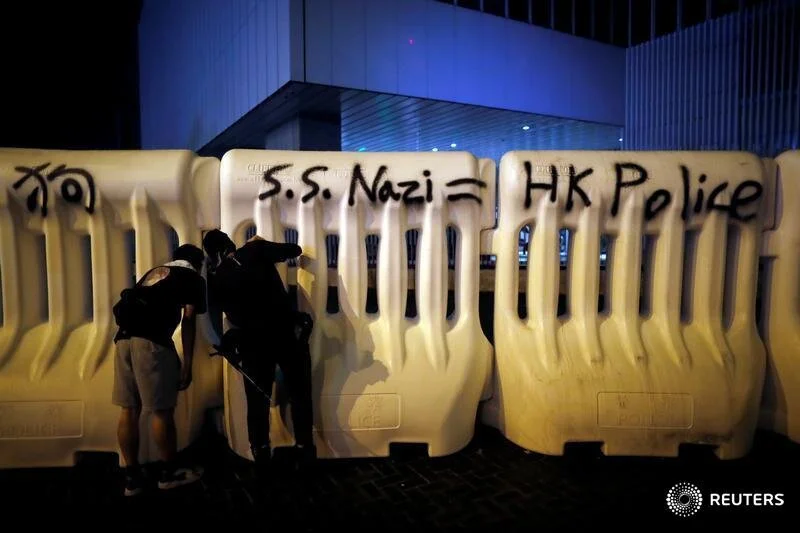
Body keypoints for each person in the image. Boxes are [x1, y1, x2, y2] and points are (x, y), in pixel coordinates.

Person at [202, 229, 315, 474]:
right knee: (299, 394)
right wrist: (261, 243)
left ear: (213, 255)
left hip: (252, 343)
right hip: (285, 334)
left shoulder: (218, 277)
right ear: (231, 243)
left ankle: (261, 453)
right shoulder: (254, 250)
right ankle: (305, 449)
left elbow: (222, 310)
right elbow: (293, 250)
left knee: (257, 402)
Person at [111, 243, 207, 496]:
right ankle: (168, 474)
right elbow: (188, 321)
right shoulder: (192, 278)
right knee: (161, 412)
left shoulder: (154, 272)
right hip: (151, 345)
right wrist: (186, 364)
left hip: (122, 341)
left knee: (129, 409)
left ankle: (131, 479)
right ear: (199, 263)